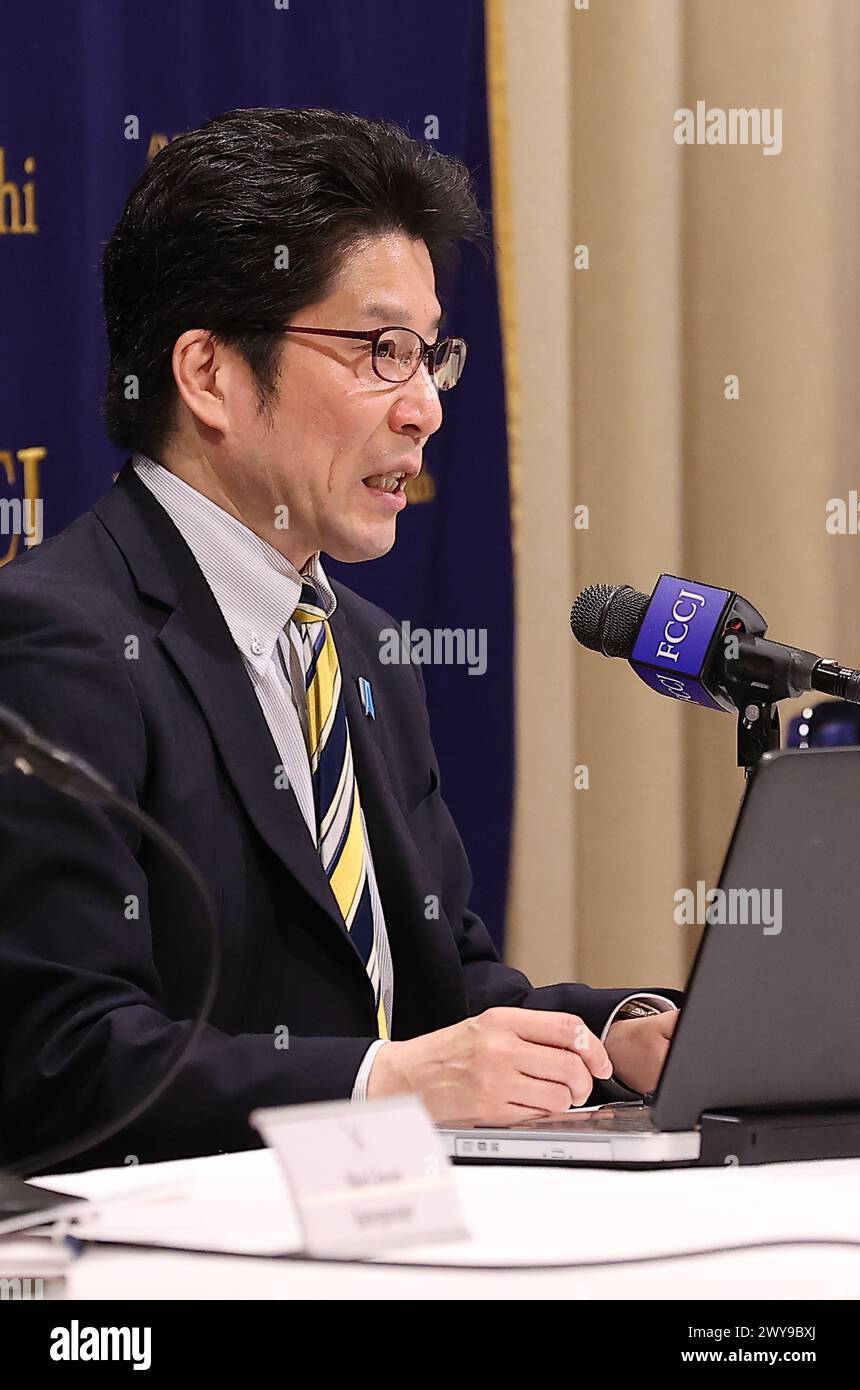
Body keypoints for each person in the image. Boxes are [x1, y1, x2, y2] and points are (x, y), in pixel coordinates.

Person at [0, 108, 680, 1171]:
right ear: (210, 374)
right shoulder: (58, 639)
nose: (423, 410)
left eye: (428, 356)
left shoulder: (360, 648)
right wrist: (383, 1085)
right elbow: (60, 1056)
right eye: (379, 352)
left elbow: (444, 995)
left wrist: (613, 1037)